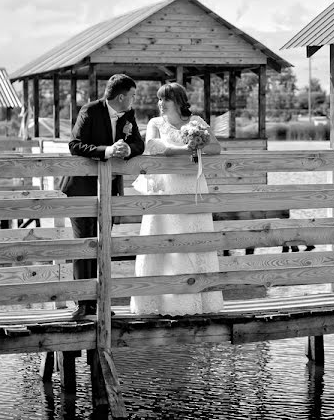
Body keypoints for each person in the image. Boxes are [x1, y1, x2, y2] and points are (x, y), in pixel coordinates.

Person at [129, 82, 224, 316]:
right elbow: (152, 146)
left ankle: (198, 302)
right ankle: (158, 303)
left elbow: (216, 148)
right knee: (163, 242)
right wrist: (184, 150)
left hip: (192, 187)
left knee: (194, 240)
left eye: (165, 99)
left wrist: (197, 143)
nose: (160, 104)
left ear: (178, 101)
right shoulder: (155, 123)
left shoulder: (196, 122)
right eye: (159, 100)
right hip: (166, 189)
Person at [60, 73, 145, 319]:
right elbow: (75, 145)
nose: (134, 100)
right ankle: (83, 305)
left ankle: (100, 302)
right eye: (132, 95)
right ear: (121, 96)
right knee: (84, 245)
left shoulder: (128, 115)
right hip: (81, 189)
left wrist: (127, 148)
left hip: (109, 190)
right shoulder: (90, 110)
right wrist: (107, 150)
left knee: (102, 246)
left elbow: (139, 143)